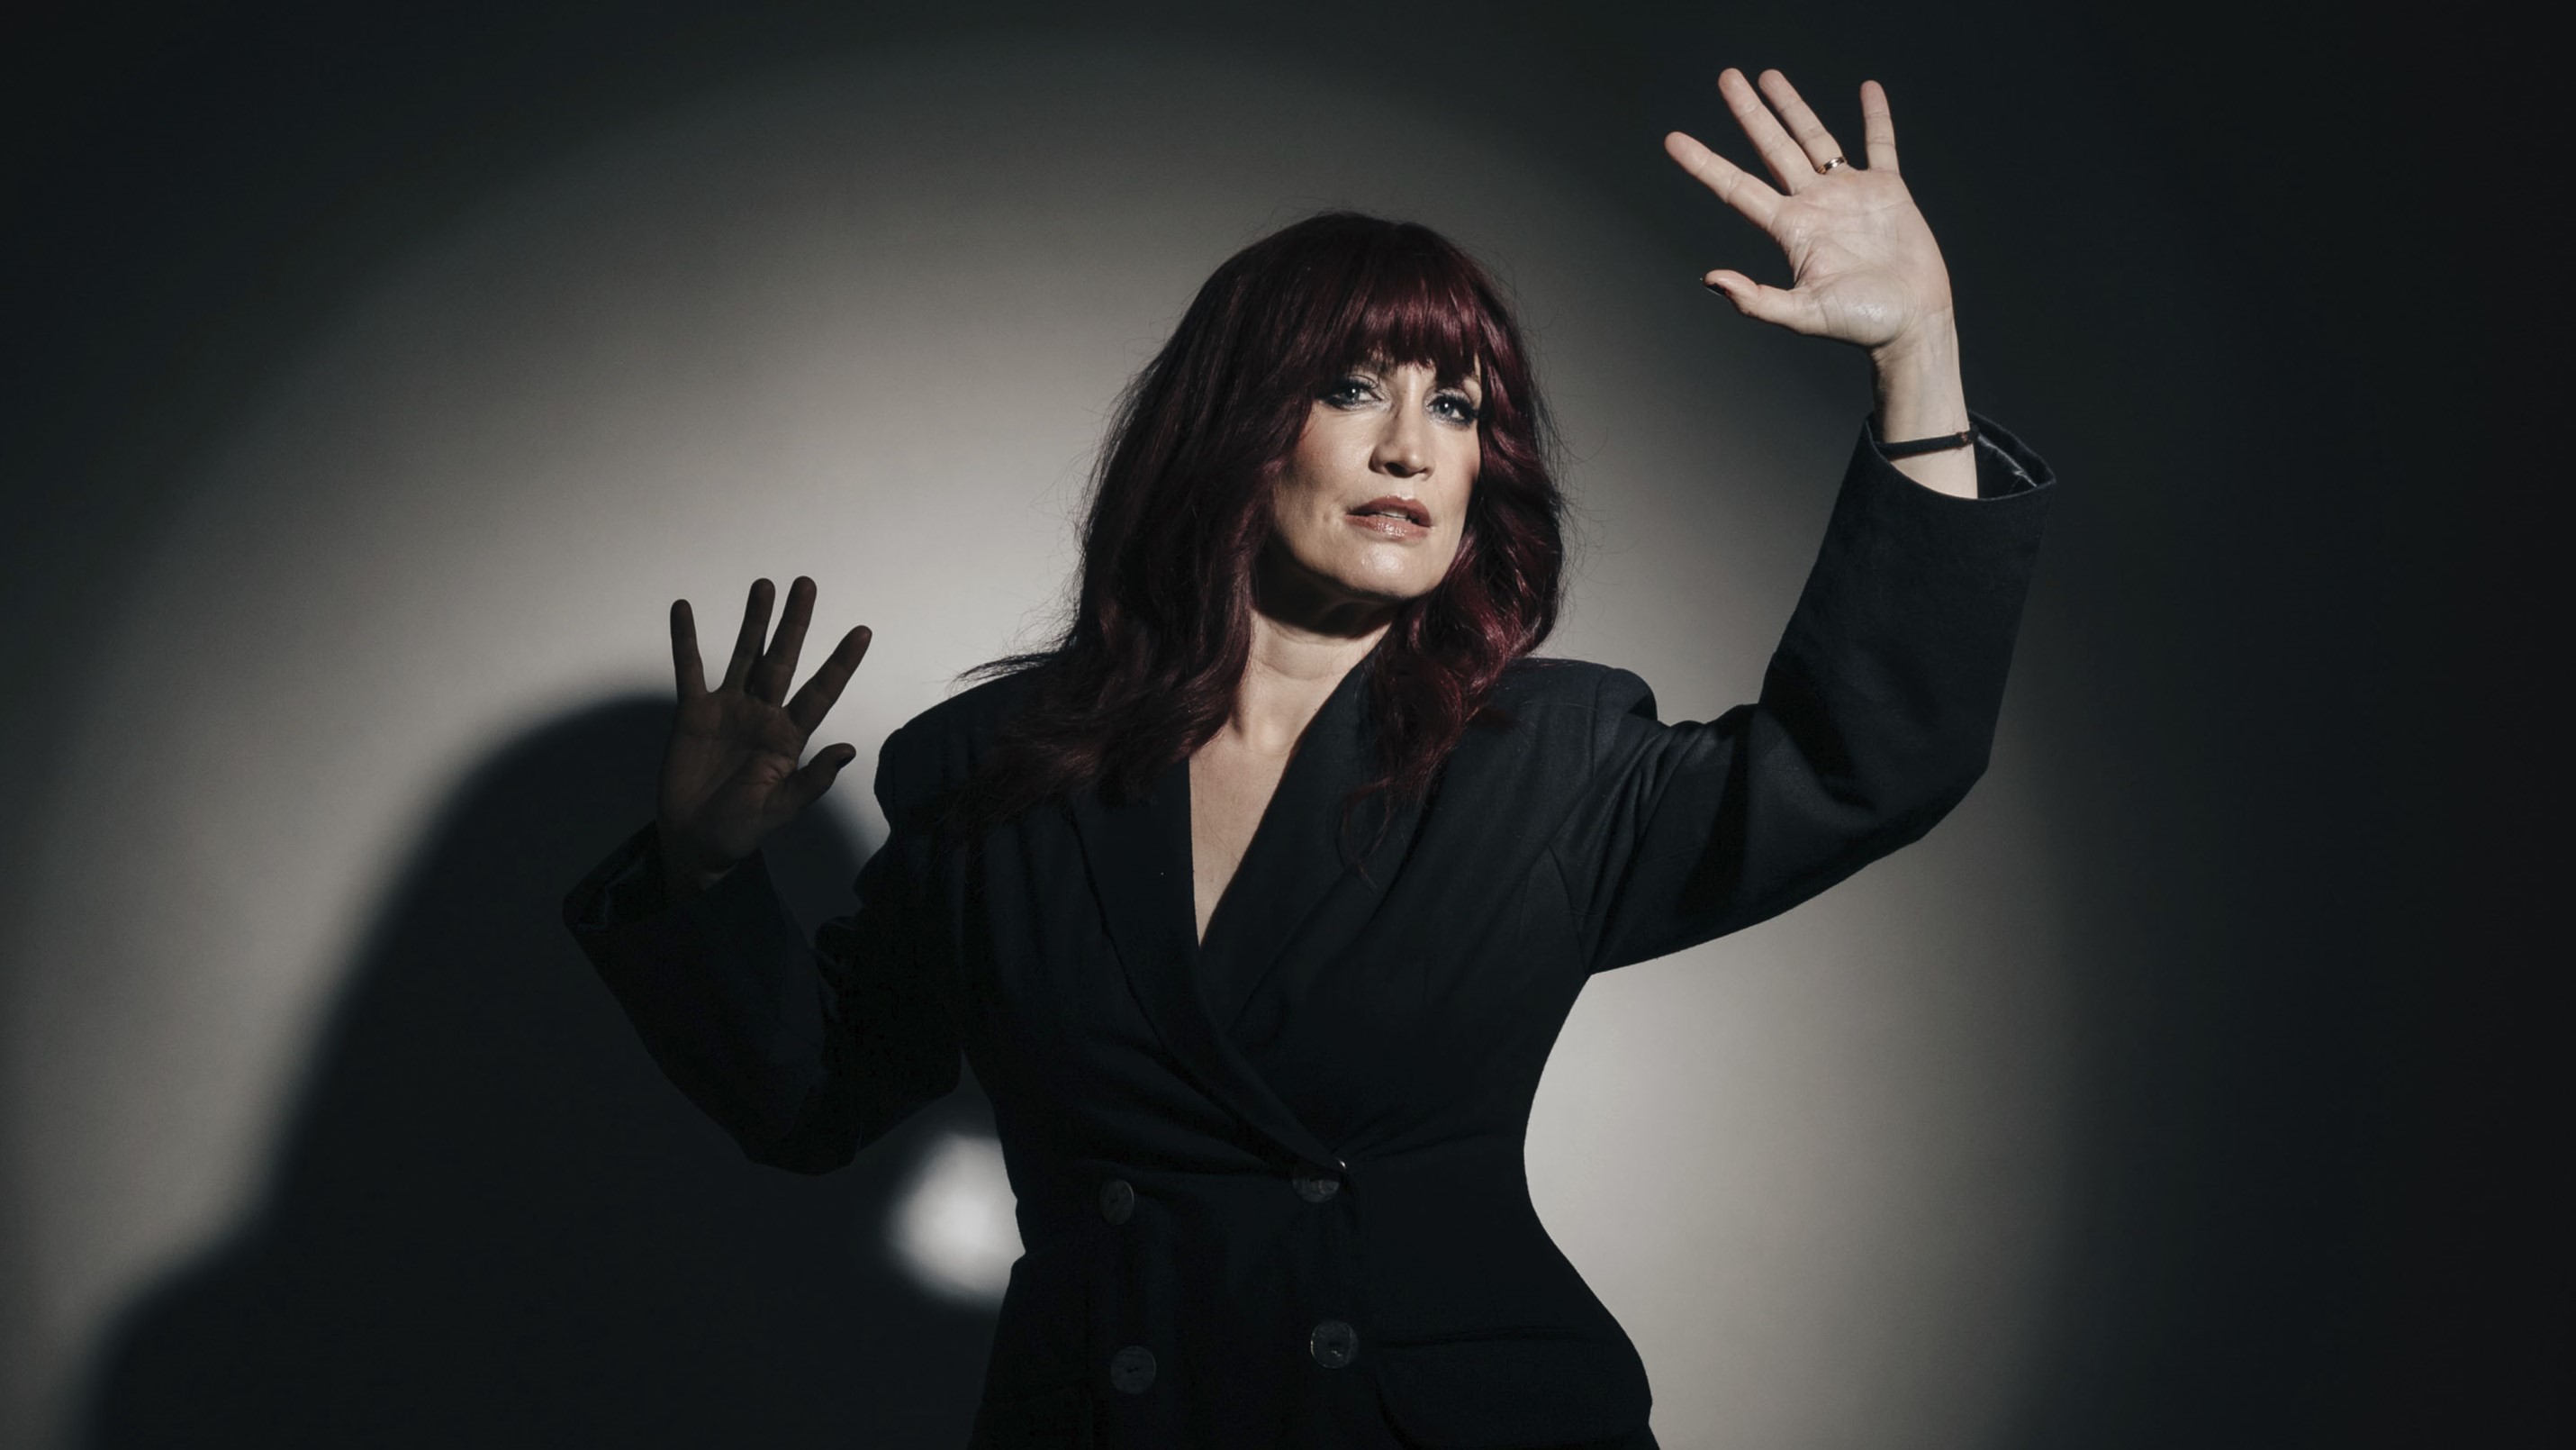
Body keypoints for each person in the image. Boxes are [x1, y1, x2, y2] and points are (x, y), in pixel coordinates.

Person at [564, 67, 2054, 1449]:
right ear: (1236, 429)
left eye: (1454, 405)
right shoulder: (989, 773)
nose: (1411, 445)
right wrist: (700, 873)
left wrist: (1916, 354)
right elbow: (811, 1098)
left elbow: (1863, 761)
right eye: (1353, 388)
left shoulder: (1553, 761)